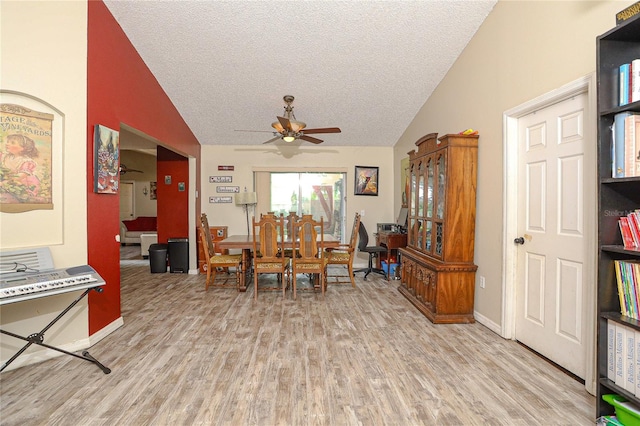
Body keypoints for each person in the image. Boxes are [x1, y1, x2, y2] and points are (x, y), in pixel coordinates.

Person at [0, 134, 41, 202]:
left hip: (23, 184)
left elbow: (18, 177)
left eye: (12, 143)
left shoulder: (26, 161)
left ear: (23, 148)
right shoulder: (5, 156)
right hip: (8, 182)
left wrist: (3, 183)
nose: (7, 144)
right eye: (8, 141)